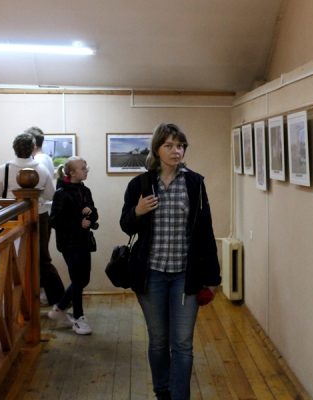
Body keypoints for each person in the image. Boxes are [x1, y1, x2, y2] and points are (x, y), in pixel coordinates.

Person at [120, 123, 221, 400]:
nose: (176, 151)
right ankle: (162, 390)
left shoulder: (194, 183)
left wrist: (213, 279)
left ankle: (180, 396)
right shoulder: (139, 184)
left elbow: (205, 231)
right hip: (151, 274)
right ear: (157, 149)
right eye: (170, 145)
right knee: (159, 341)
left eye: (180, 146)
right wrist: (138, 212)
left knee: (183, 344)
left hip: (185, 276)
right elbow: (126, 226)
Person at [49, 157, 98, 335]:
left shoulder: (85, 190)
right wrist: (79, 222)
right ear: (71, 172)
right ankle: (79, 318)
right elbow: (54, 220)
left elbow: (94, 213)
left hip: (84, 241)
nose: (86, 170)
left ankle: (59, 308)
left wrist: (90, 214)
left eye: (86, 167)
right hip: (69, 243)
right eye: (83, 168)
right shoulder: (61, 193)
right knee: (78, 280)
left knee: (83, 279)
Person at [25, 126, 65, 306]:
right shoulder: (46, 158)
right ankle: (45, 294)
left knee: (41, 257)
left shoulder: (38, 161)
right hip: (44, 212)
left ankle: (58, 298)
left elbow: (47, 191)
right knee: (40, 256)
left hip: (41, 212)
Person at [0, 132, 55, 219]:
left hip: (11, 213)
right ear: (33, 148)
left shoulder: (4, 168)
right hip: (37, 213)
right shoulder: (42, 169)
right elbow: (50, 195)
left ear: (14, 148)